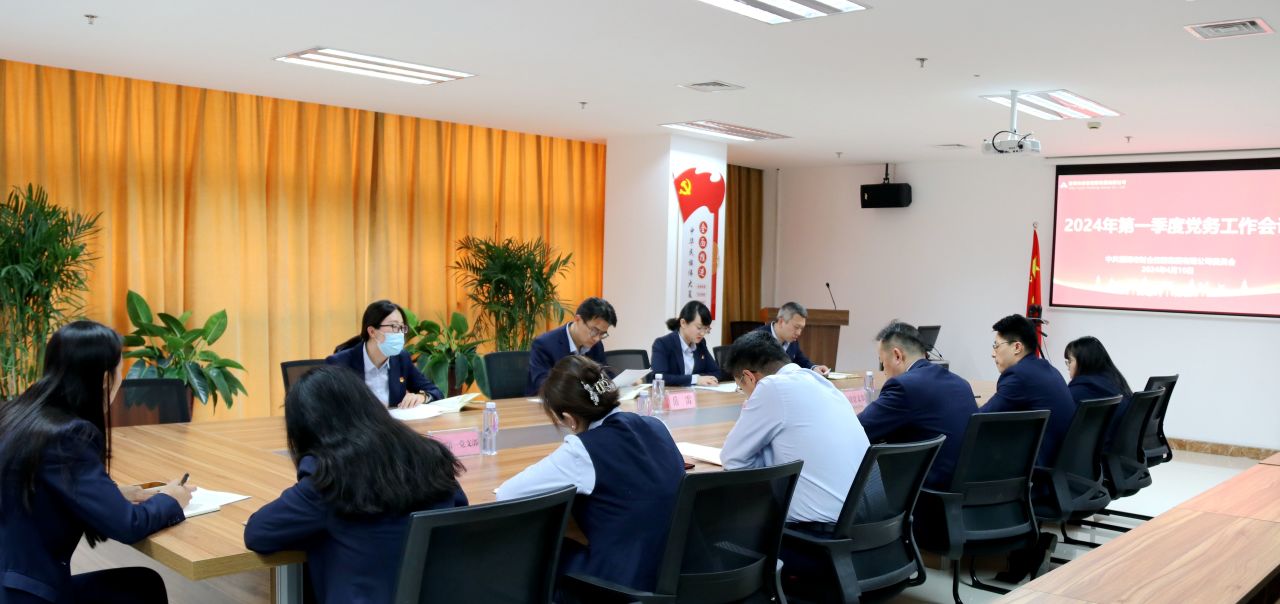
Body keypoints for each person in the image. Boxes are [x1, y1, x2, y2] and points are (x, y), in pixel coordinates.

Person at [0, 321, 193, 604]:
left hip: (11, 583)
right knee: (142, 587)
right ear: (105, 378)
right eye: (120, 369)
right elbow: (127, 525)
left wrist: (113, 494)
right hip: (29, 595)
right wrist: (172, 499)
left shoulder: (18, 414)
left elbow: (41, 492)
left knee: (141, 584)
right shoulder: (69, 435)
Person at [244, 365, 468, 603]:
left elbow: (258, 533)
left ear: (305, 428)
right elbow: (459, 511)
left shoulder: (328, 478)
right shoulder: (430, 455)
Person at [497, 355, 684, 592]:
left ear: (569, 419)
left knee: (539, 551)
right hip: (676, 573)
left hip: (620, 584)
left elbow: (507, 495)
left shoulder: (583, 450)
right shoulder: (657, 425)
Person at [720, 331, 871, 524]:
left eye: (741, 388)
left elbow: (733, 460)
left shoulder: (771, 386)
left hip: (820, 529)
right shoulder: (820, 382)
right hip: (867, 520)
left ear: (749, 377)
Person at [858, 321, 977, 489]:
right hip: (963, 487)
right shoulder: (961, 383)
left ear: (897, 356)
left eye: (882, 362)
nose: (884, 370)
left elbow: (859, 429)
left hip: (925, 492)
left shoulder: (904, 386)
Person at [979, 314, 1076, 467]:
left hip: (1038, 469)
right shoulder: (1047, 369)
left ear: (1017, 347)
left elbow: (979, 420)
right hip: (1062, 465)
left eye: (996, 346)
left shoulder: (1018, 376)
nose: (993, 353)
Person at [327, 300, 443, 408]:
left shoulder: (401, 358)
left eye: (401, 327)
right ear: (372, 332)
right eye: (394, 326)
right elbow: (327, 408)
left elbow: (435, 392)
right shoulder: (339, 363)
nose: (400, 333)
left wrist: (421, 397)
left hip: (394, 423)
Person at [525, 297, 617, 396]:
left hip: (585, 402)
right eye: (594, 331)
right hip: (547, 402)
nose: (597, 338)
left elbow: (605, 375)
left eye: (602, 334)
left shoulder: (596, 345)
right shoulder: (544, 344)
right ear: (578, 319)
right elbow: (543, 384)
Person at [1064, 336, 1133, 447]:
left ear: (1084, 361)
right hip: (1121, 445)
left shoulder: (1081, 390)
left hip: (1101, 449)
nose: (1068, 367)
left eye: (1070, 361)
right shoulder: (1113, 381)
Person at [649, 300, 720, 387]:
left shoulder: (700, 343)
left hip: (697, 393)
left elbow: (716, 372)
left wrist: (701, 379)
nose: (702, 333)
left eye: (706, 329)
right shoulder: (663, 344)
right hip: (671, 394)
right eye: (699, 327)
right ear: (683, 323)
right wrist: (695, 379)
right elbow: (659, 377)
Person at [751, 302, 829, 375]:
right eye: (796, 327)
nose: (799, 333)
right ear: (781, 322)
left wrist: (814, 368)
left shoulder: (792, 340)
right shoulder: (756, 339)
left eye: (801, 328)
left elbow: (800, 359)